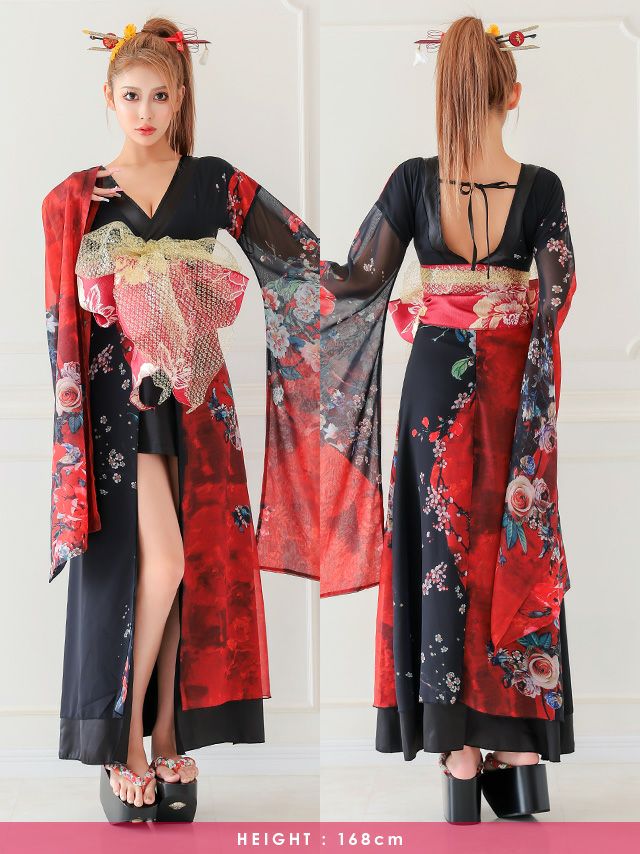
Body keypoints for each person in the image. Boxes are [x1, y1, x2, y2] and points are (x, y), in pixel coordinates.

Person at [43, 17, 319, 822]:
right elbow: (63, 306)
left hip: (195, 395)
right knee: (155, 563)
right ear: (107, 96)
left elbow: (299, 258)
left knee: (188, 565)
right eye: (131, 95)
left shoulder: (212, 182)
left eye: (160, 96)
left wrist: (435, 295)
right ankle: (125, 743)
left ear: (181, 97)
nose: (145, 111)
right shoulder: (82, 194)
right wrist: (74, 213)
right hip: (116, 402)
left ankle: (167, 735)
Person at [320, 16, 577, 822]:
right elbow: (558, 294)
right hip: (511, 389)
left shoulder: (412, 181)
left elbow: (354, 280)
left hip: (435, 381)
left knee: (441, 550)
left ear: (443, 92)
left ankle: (457, 751)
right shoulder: (541, 189)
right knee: (508, 542)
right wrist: (503, 310)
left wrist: (276, 245)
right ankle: (519, 748)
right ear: (513, 94)